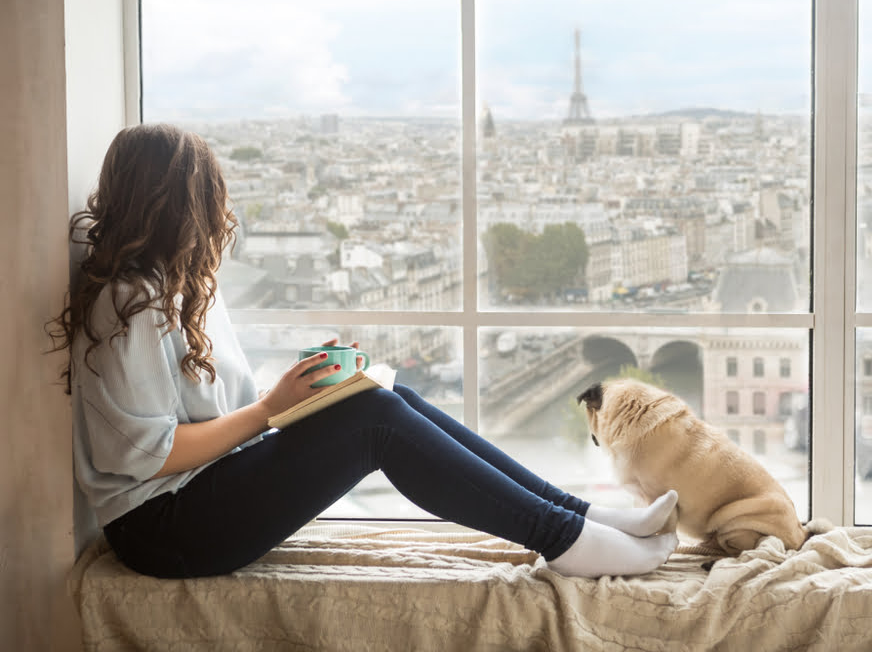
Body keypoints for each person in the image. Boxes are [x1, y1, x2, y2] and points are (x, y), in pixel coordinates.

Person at [48, 123, 679, 579]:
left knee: (380, 396)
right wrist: (274, 407)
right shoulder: (128, 307)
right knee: (375, 421)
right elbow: (150, 457)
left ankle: (576, 515)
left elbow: (214, 415)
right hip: (163, 530)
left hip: (198, 497)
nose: (224, 212)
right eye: (212, 197)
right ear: (183, 208)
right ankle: (567, 542)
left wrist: (306, 385)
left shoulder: (180, 290)